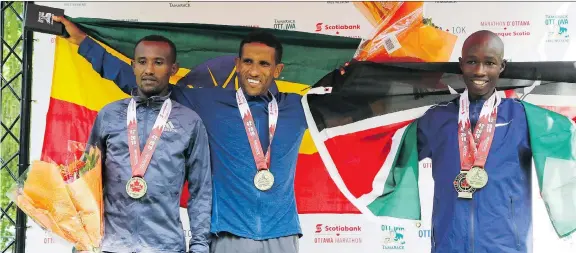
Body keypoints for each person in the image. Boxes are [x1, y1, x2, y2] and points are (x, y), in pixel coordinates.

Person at [54, 16, 304, 253]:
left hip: (281, 232)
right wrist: (85, 44)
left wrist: (345, 70)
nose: (254, 71)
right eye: (248, 61)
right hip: (230, 233)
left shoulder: (297, 107)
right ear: (237, 65)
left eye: (264, 64)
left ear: (277, 69)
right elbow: (147, 81)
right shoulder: (209, 103)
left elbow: (340, 100)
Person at [79, 34, 212, 253]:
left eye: (158, 62)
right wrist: (82, 238)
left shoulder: (190, 122)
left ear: (173, 68)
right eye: (142, 62)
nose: (149, 70)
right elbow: (87, 179)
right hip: (111, 246)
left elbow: (201, 191)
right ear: (133, 66)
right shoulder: (109, 115)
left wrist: (199, 247)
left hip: (165, 247)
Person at [415, 30, 532, 253]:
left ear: (502, 66)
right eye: (472, 62)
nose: (480, 71)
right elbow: (389, 146)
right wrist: (348, 100)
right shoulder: (436, 118)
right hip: (450, 245)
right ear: (461, 64)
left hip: (506, 247)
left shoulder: (524, 118)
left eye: (489, 63)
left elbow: (564, 144)